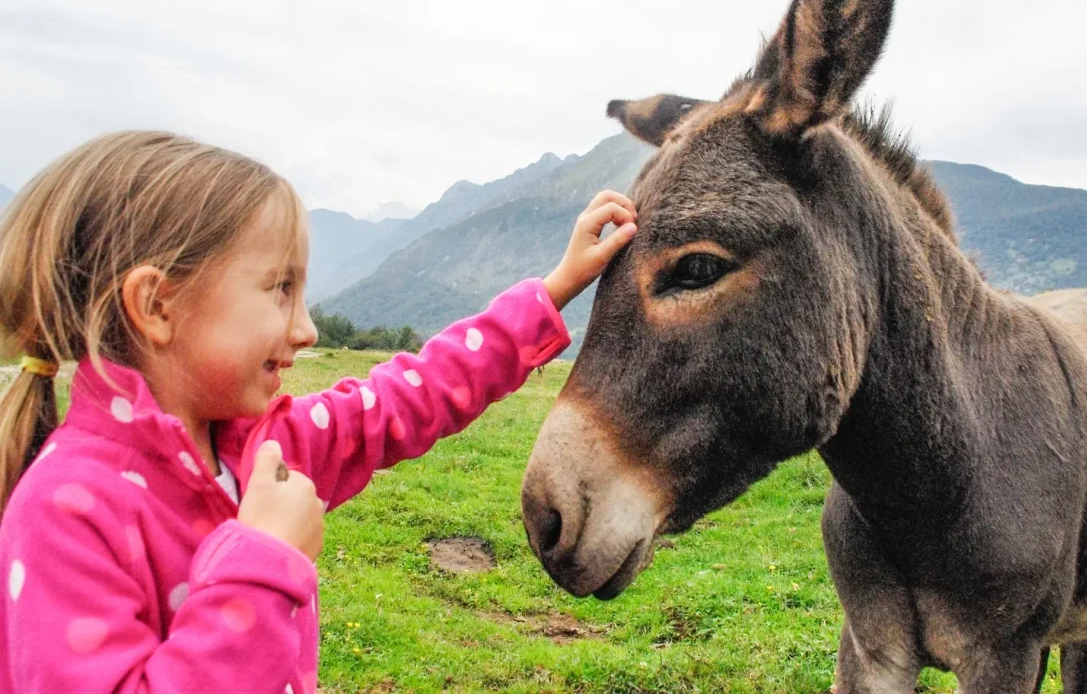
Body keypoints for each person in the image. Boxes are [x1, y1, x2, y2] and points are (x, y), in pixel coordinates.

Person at [0, 129, 637, 693]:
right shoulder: (64, 512)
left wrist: (555, 289)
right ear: (157, 305)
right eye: (280, 289)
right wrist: (259, 566)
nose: (306, 329)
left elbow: (411, 394)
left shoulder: (265, 451)